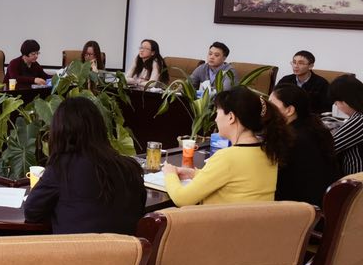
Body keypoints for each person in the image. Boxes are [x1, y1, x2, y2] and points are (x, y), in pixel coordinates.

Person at [24, 97, 146, 234]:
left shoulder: (62, 168)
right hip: (127, 247)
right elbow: (140, 208)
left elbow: (31, 211)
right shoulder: (130, 167)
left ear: (60, 132)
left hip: (78, 247)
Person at [163, 86, 291, 205]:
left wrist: (170, 174)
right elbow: (238, 182)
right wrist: (194, 174)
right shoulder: (269, 151)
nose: (215, 119)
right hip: (253, 221)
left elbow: (182, 199)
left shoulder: (227, 157)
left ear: (231, 117)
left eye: (217, 113)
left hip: (222, 222)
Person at [269, 85, 338, 207]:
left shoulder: (291, 138)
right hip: (326, 202)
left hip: (301, 208)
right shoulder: (315, 128)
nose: (267, 109)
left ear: (289, 110)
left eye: (271, 105)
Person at [328, 75, 363, 176]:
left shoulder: (359, 120)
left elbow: (328, 148)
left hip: (356, 180)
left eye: (336, 103)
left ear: (346, 101)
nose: (337, 106)